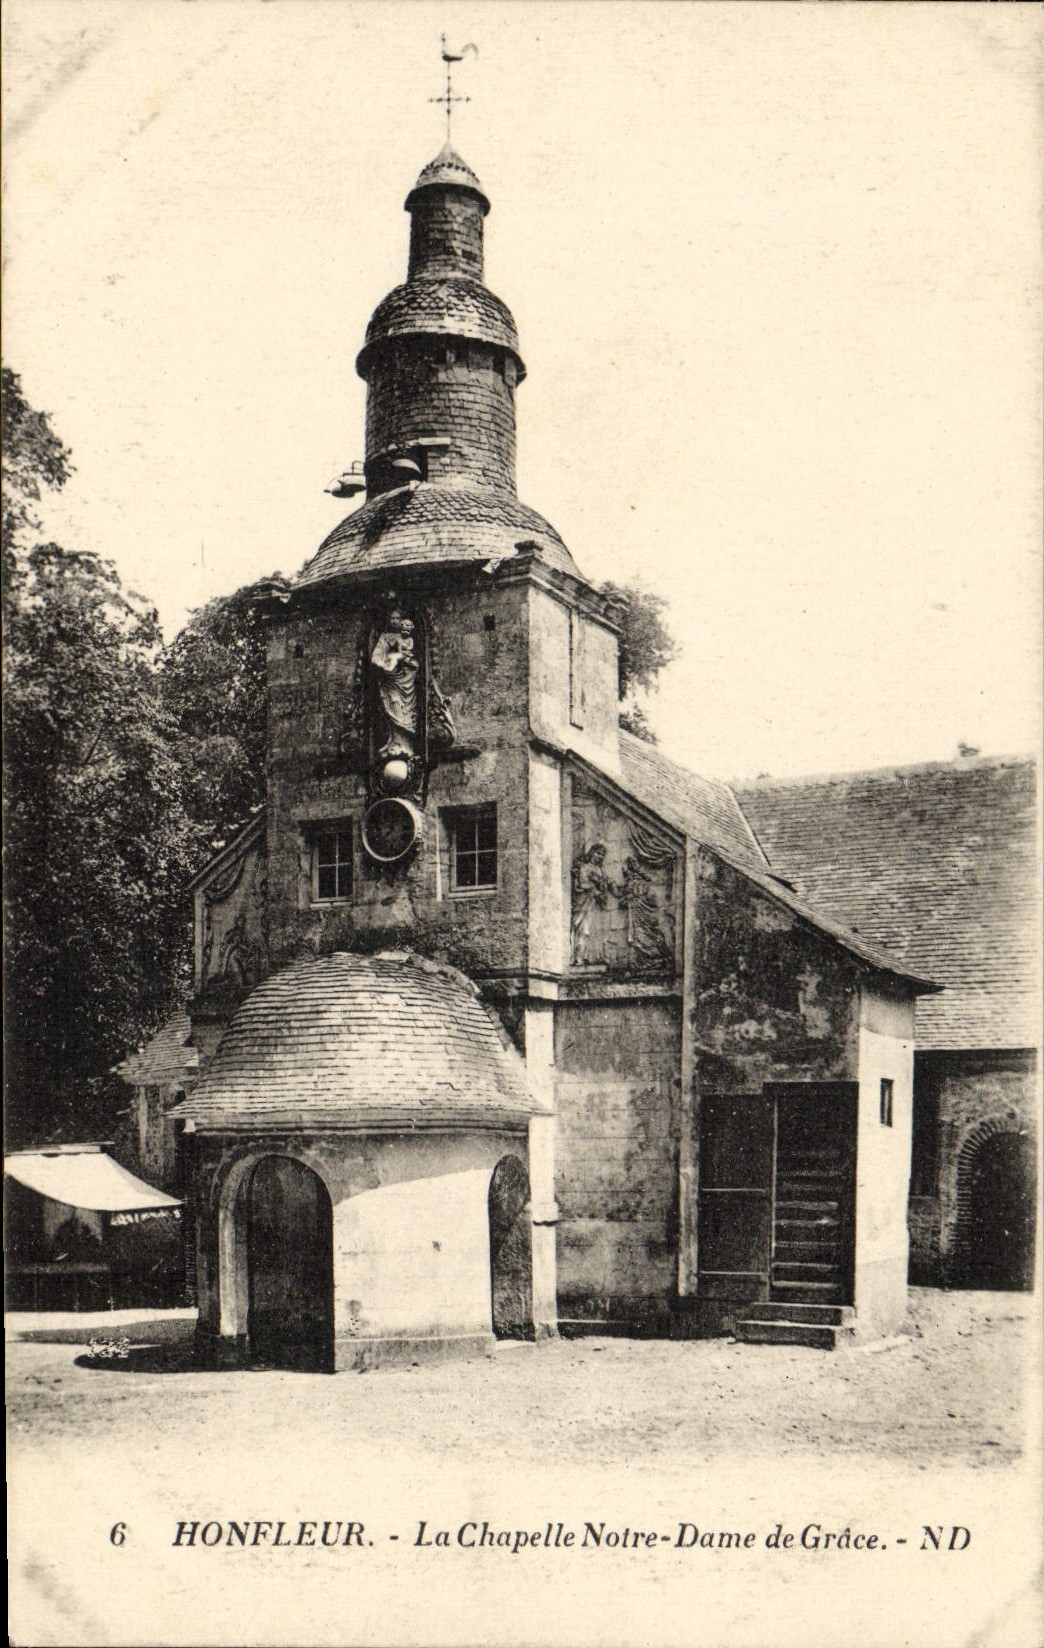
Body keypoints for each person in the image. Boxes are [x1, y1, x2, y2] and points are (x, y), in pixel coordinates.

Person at [370, 611, 420, 757]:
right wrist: (383, 665)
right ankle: (394, 742)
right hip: (390, 680)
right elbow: (375, 658)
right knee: (394, 707)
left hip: (406, 680)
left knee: (405, 711)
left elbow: (412, 658)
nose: (395, 621)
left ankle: (405, 745)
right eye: (392, 618)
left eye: (398, 618)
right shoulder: (384, 638)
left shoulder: (408, 638)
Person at [570, 843, 611, 965]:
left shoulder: (600, 870)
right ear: (592, 853)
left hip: (595, 904)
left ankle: (592, 957)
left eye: (602, 855)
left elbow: (605, 886)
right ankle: (578, 958)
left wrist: (602, 887)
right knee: (583, 930)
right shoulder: (585, 867)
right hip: (584, 903)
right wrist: (595, 889)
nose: (599, 856)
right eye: (598, 853)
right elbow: (582, 884)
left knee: (594, 930)